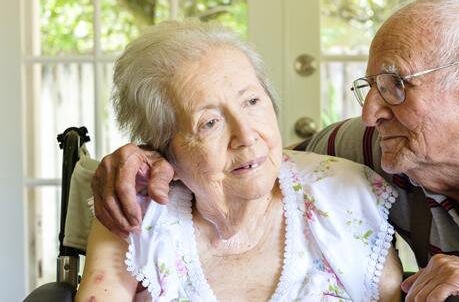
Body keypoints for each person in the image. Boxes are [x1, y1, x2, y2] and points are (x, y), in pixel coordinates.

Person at [92, 0, 459, 301]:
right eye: (369, 86)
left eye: (395, 85)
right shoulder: (367, 148)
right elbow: (249, 158)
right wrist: (146, 156)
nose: (368, 112)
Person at [76, 21, 403, 301]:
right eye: (209, 123)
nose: (246, 135)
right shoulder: (136, 213)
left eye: (252, 101)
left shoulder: (343, 195)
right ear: (164, 149)